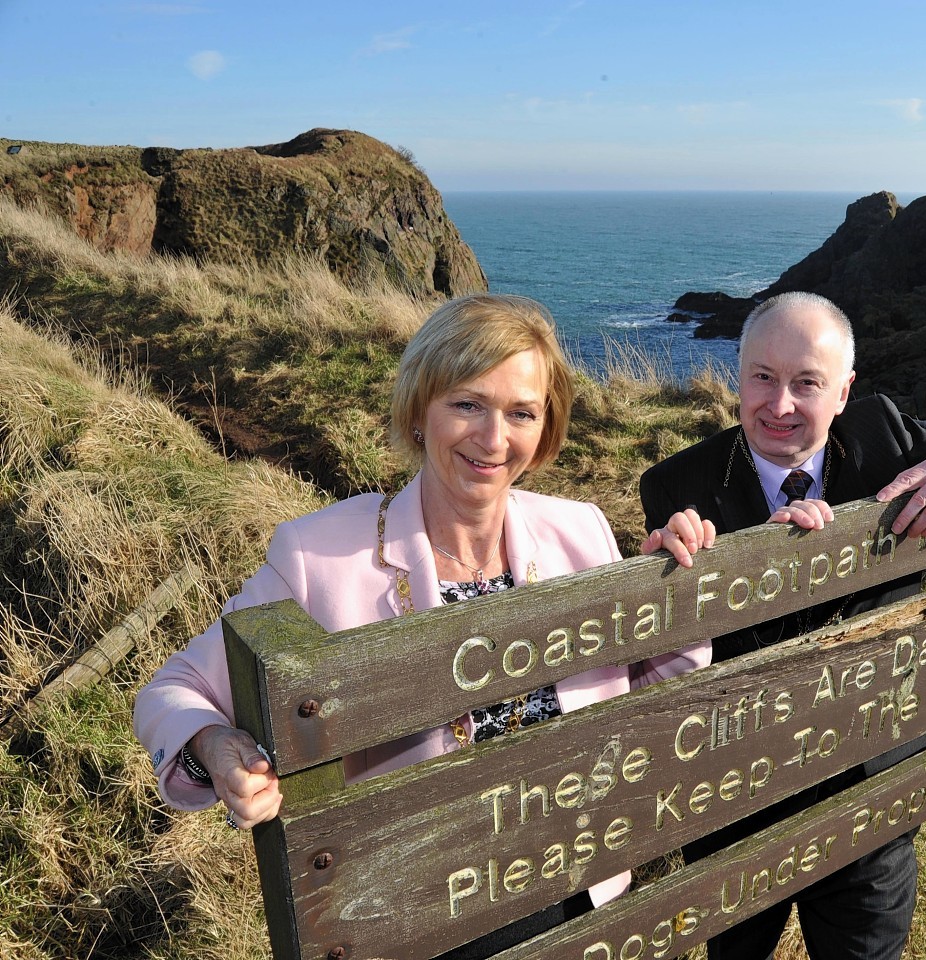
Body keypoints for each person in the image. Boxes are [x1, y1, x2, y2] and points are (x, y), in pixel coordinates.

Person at [133, 293, 709, 958]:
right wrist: (212, 747)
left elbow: (652, 695)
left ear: (545, 427)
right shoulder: (319, 555)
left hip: (573, 892)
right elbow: (171, 690)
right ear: (419, 410)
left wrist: (673, 593)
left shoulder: (578, 529)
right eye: (467, 404)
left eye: (521, 412)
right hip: (412, 918)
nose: (494, 439)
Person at [638, 291, 926, 960]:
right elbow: (670, 655)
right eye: (762, 377)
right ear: (738, 376)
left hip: (874, 798)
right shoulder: (676, 485)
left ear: (844, 393)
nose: (779, 405)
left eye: (807, 383)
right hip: (739, 805)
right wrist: (676, 577)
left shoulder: (887, 441)